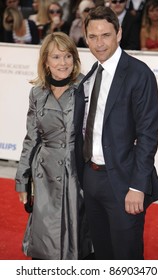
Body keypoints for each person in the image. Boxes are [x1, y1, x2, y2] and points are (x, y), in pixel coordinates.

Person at [74, 6, 158, 260]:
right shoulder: (91, 75)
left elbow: (148, 133)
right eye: (92, 36)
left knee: (126, 257)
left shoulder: (139, 73)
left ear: (119, 33)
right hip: (91, 179)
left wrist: (138, 185)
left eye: (105, 35)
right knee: (102, 253)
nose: (99, 43)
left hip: (124, 183)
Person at [15, 32, 92, 260]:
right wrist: (22, 179)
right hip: (44, 173)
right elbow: (31, 138)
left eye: (68, 56)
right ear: (46, 62)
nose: (63, 63)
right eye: (56, 57)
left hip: (75, 174)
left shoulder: (85, 88)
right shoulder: (37, 93)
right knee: (45, 241)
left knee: (76, 240)